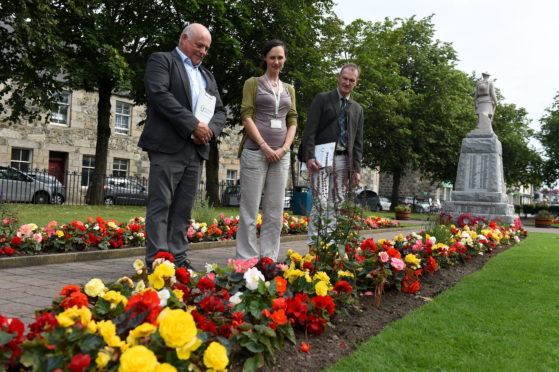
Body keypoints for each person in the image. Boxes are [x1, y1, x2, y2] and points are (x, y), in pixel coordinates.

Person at [138, 23, 226, 270]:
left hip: (196, 149)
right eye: (199, 45)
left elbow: (220, 111)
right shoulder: (162, 61)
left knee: (183, 208)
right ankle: (157, 262)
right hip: (168, 146)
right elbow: (159, 94)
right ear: (184, 39)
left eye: (206, 48)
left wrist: (209, 132)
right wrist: (193, 125)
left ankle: (178, 259)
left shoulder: (207, 75)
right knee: (161, 204)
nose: (203, 52)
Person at [235, 39, 298, 261]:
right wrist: (264, 146)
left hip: (281, 156)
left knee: (274, 212)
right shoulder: (253, 83)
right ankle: (246, 260)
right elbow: (246, 115)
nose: (276, 62)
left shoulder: (289, 88)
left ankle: (269, 258)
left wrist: (284, 148)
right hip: (255, 152)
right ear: (264, 58)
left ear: (285, 59)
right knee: (249, 210)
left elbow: (293, 119)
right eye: (272, 57)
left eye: (280, 57)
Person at [300, 63, 364, 249]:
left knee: (336, 204)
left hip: (345, 160)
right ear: (339, 77)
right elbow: (310, 129)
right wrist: (309, 156)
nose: (347, 82)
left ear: (356, 83)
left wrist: (357, 170)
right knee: (320, 202)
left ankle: (330, 245)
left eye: (351, 80)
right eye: (344, 78)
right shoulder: (322, 99)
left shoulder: (357, 109)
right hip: (321, 158)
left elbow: (358, 142)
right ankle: (314, 244)